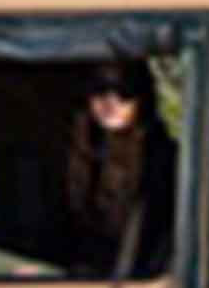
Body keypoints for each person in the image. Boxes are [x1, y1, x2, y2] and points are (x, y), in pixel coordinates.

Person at [57, 59, 179, 276]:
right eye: (100, 90)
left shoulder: (163, 157)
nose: (110, 101)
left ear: (142, 98)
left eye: (125, 91)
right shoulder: (73, 152)